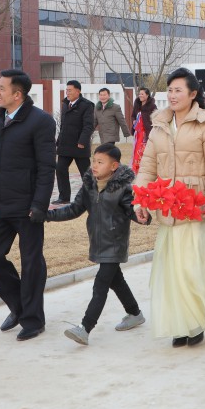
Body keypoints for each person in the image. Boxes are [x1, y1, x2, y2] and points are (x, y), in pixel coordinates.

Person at [133, 68, 205, 346]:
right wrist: (139, 199)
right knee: (170, 269)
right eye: (169, 90)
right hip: (166, 209)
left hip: (194, 208)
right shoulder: (158, 125)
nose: (172, 95)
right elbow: (147, 166)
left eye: (178, 90)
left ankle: (195, 323)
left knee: (190, 267)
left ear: (193, 94)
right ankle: (179, 324)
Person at [46, 144, 150, 345]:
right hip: (97, 242)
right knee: (115, 280)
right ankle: (135, 313)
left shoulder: (124, 188)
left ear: (114, 166)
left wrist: (143, 217)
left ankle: (85, 328)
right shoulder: (89, 185)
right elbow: (74, 210)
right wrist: (47, 216)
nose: (94, 165)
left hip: (115, 243)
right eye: (94, 161)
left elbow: (132, 210)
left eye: (100, 162)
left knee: (101, 284)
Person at [0, 69, 56, 341]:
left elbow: (47, 167)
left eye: (1, 88)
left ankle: (33, 320)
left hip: (27, 207)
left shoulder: (41, 121)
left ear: (17, 94)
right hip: (0, 203)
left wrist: (40, 204)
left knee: (31, 262)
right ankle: (20, 307)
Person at [55, 80, 95, 204]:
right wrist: (59, 141)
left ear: (78, 91)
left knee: (86, 173)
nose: (67, 93)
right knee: (60, 168)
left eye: (70, 90)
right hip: (65, 144)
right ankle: (64, 197)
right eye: (66, 90)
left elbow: (88, 125)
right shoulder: (65, 103)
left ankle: (93, 196)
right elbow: (63, 125)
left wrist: (82, 141)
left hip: (79, 145)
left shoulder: (87, 105)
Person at [130, 87, 156, 173]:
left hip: (146, 133)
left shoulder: (152, 105)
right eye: (139, 94)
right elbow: (133, 115)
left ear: (147, 95)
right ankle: (135, 169)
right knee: (136, 151)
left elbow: (155, 117)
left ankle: (144, 169)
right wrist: (134, 120)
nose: (140, 95)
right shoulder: (137, 104)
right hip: (138, 133)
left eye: (142, 94)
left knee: (144, 151)